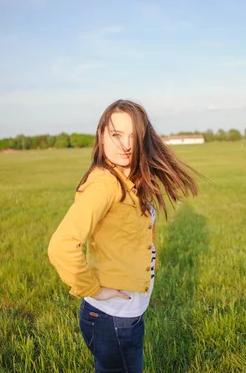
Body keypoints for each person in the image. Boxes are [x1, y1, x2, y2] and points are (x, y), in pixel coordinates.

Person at [48, 99, 200, 373]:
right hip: (112, 317)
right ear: (101, 136)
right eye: (116, 135)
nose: (125, 145)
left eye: (133, 136)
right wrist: (94, 289)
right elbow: (61, 245)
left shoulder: (128, 180)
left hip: (124, 316)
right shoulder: (105, 184)